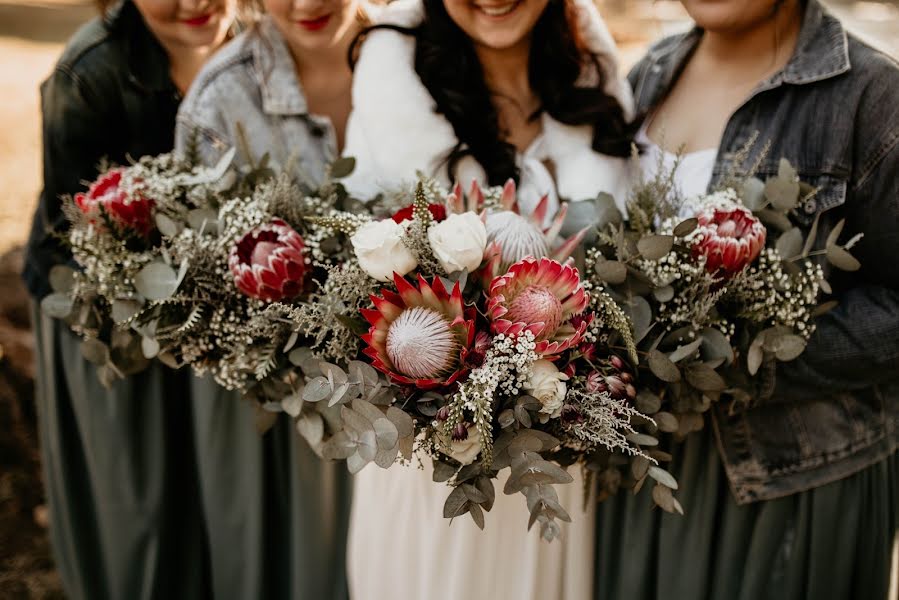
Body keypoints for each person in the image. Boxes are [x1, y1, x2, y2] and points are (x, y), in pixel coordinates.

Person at [595, 1, 899, 598]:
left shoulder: (871, 95)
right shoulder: (647, 74)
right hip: (642, 469)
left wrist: (739, 358)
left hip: (791, 480)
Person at [341, 0, 634, 598]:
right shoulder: (391, 97)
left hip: (556, 468)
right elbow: (356, 292)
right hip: (435, 469)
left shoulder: (595, 80)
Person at [21, 0, 236, 598]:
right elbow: (75, 244)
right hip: (104, 318)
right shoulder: (88, 74)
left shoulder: (258, 47)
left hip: (218, 317)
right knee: (139, 497)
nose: (196, 4)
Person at [173, 0, 365, 597]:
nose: (307, 4)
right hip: (285, 408)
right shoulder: (218, 101)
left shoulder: (426, 58)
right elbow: (197, 286)